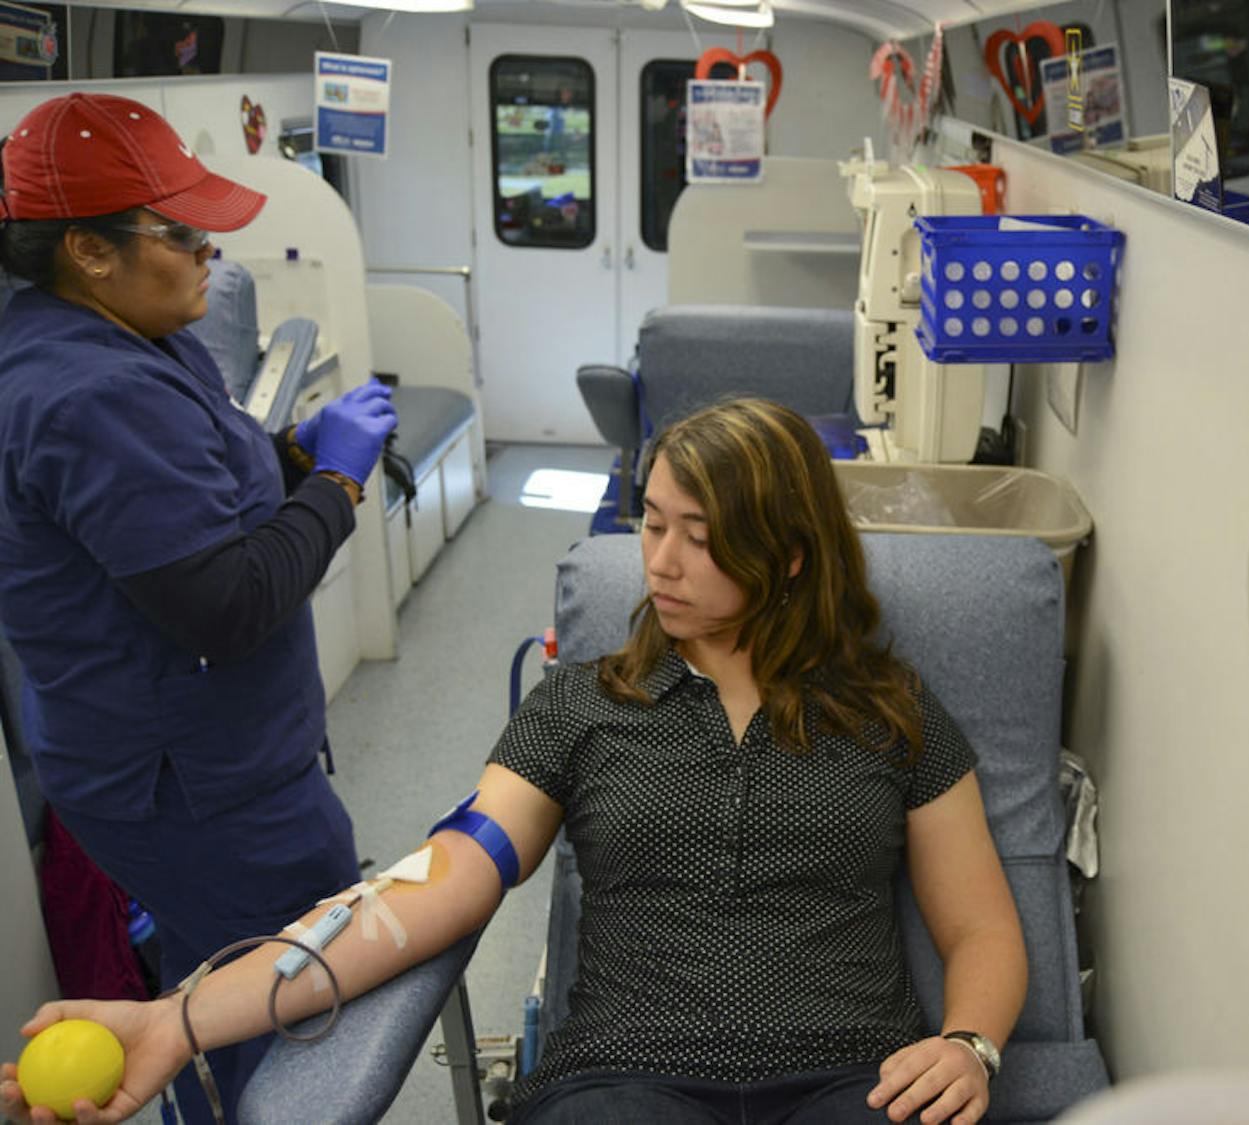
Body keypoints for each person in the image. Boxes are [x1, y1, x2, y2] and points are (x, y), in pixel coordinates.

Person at [1, 398, 1025, 1125]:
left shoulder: (892, 714)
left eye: (698, 538)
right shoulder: (583, 705)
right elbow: (424, 893)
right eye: (652, 522)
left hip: (856, 1078)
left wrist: (967, 1044)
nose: (657, 560)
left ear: (791, 554)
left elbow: (978, 924)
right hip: (628, 1082)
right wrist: (179, 1021)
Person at [0, 93, 396, 1123]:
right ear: (89, 251)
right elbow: (228, 603)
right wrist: (340, 489)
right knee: (283, 994)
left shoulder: (137, 335)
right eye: (181, 233)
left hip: (190, 754)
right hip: (199, 784)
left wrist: (294, 453)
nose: (210, 251)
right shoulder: (89, 394)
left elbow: (203, 491)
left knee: (209, 972)